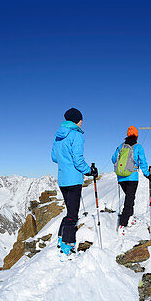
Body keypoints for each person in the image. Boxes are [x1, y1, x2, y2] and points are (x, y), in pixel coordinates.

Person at [51, 107, 96, 255]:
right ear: (78, 120)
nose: (82, 123)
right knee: (72, 215)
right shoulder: (76, 135)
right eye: (81, 120)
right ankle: (67, 246)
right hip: (74, 179)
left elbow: (54, 158)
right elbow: (78, 160)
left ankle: (60, 238)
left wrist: (65, 161)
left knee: (69, 211)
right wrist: (89, 171)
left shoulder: (58, 136)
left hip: (63, 179)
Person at [111, 126, 151, 235]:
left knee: (130, 197)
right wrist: (147, 174)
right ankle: (122, 224)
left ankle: (130, 217)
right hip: (132, 177)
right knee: (129, 200)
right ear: (136, 136)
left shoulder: (121, 146)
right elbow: (143, 162)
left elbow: (113, 159)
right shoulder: (138, 147)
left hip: (121, 177)